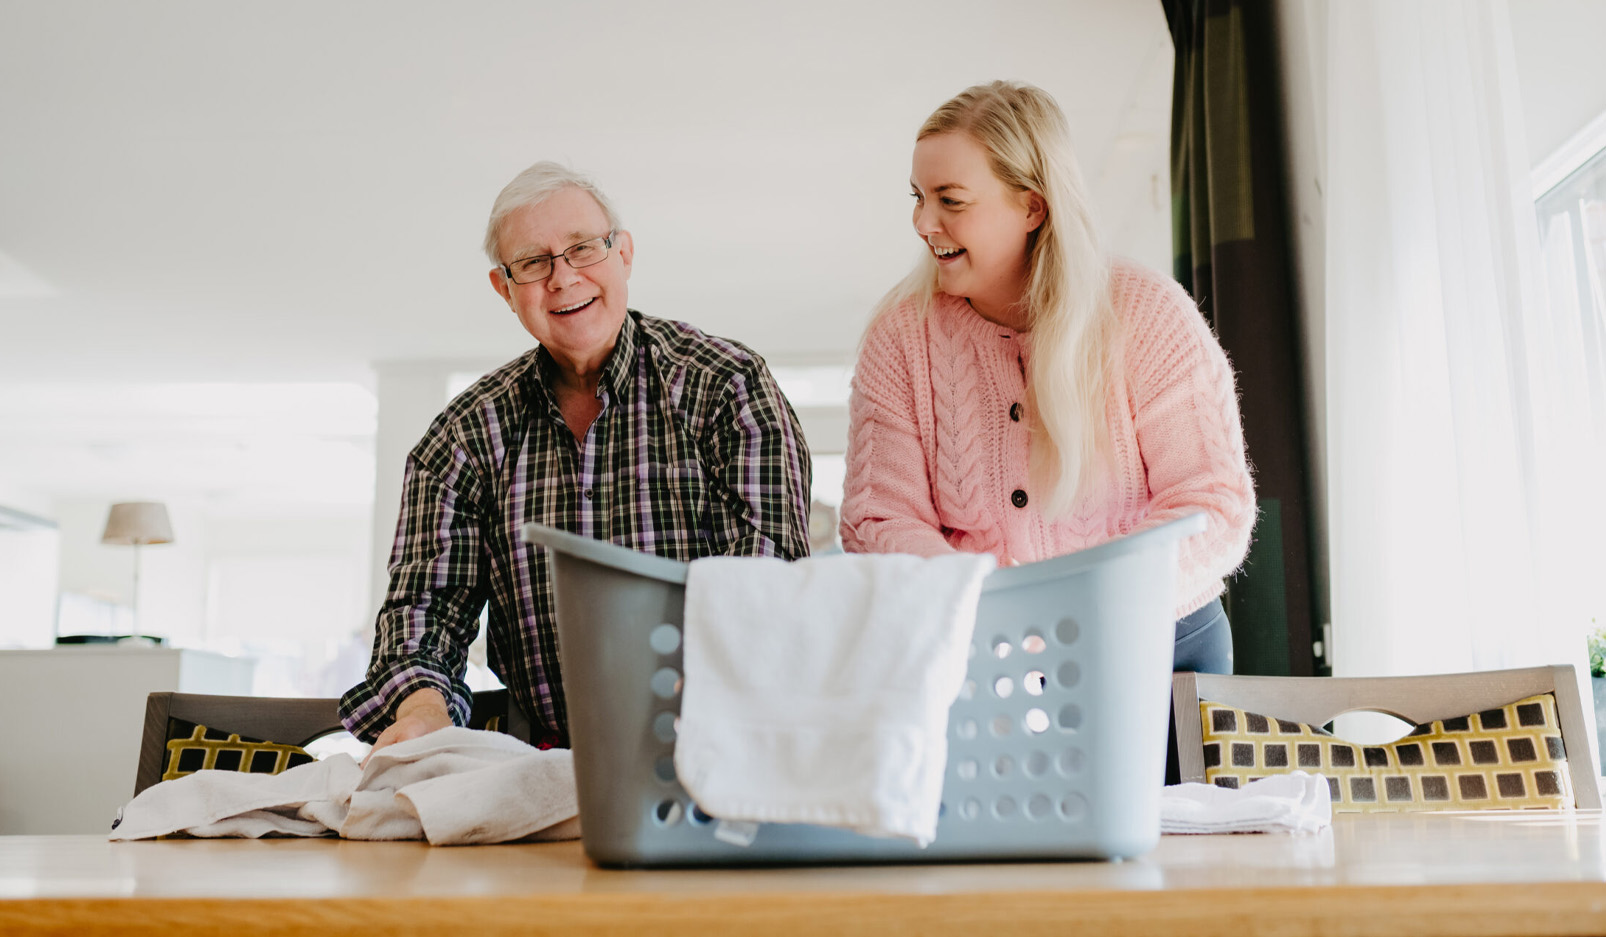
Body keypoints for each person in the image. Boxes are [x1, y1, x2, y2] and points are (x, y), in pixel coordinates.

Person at [341, 161, 812, 757]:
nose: (562, 278)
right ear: (505, 289)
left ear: (624, 254)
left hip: (726, 747)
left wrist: (697, 708)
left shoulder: (728, 385)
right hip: (551, 766)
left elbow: (766, 579)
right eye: (533, 263)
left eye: (583, 249)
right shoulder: (461, 437)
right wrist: (424, 710)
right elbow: (424, 612)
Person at [841, 80, 1254, 680]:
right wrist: (992, 610)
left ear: (1032, 207)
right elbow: (879, 516)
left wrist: (1085, 606)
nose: (922, 221)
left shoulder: (1147, 313)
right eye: (918, 196)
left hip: (1157, 645)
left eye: (951, 200)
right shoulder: (899, 337)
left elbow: (1211, 503)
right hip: (976, 652)